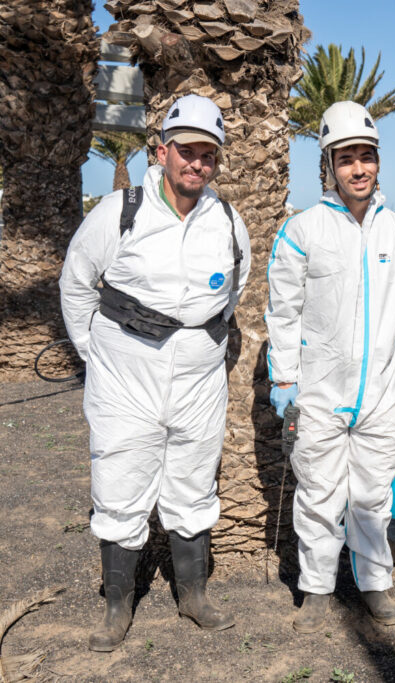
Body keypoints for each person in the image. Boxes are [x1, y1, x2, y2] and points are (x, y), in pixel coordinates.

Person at [60, 94, 251, 651]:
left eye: (207, 154)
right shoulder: (120, 212)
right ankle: (117, 608)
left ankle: (193, 597)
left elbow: (231, 294)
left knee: (193, 483)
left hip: (198, 381)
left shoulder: (229, 222)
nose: (197, 163)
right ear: (162, 150)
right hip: (125, 378)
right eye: (186, 150)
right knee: (120, 483)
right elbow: (76, 284)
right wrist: (93, 355)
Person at [265, 101, 395, 632]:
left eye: (367, 157)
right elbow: (282, 312)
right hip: (319, 392)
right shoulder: (303, 230)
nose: (359, 168)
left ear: (378, 163)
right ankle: (316, 590)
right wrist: (285, 379)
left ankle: (375, 584)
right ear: (328, 165)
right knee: (319, 495)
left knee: (374, 496)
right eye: (347, 158)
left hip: (380, 394)